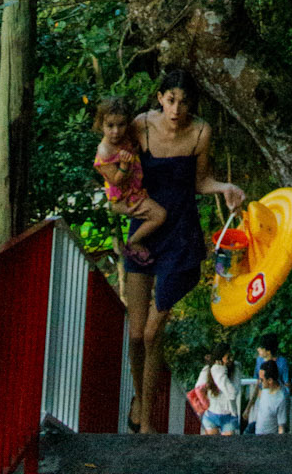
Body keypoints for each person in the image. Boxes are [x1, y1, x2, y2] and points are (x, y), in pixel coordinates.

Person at [121, 67, 244, 435]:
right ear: (160, 97)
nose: (176, 109)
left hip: (180, 235)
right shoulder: (141, 125)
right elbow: (116, 162)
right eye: (171, 100)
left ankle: (147, 425)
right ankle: (141, 399)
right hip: (144, 230)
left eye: (184, 102)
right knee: (135, 334)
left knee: (152, 333)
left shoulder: (201, 132)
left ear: (192, 104)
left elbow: (200, 181)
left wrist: (225, 187)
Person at [91, 98, 165, 266]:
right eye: (110, 126)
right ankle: (133, 242)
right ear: (101, 125)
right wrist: (124, 165)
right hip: (124, 196)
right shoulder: (105, 151)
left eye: (121, 125)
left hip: (135, 188)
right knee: (160, 215)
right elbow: (116, 181)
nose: (116, 131)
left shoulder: (125, 138)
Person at [195, 342, 241, 437]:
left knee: (227, 445)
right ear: (219, 358)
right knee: (211, 444)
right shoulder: (208, 369)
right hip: (211, 414)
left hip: (229, 415)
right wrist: (205, 402)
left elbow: (232, 394)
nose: (231, 360)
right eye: (228, 357)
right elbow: (198, 388)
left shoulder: (235, 369)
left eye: (231, 356)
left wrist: (220, 372)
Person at [247, 357, 291, 436]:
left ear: (270, 380)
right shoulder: (265, 389)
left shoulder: (281, 398)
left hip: (269, 437)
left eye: (262, 380)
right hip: (257, 431)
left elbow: (281, 427)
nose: (260, 382)